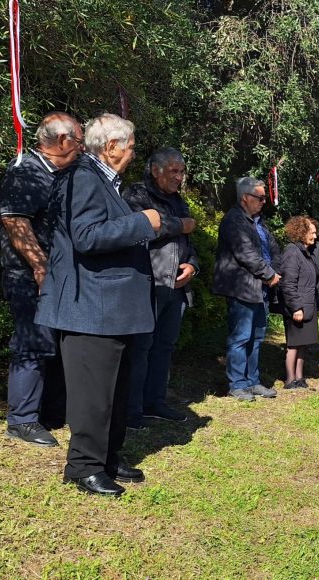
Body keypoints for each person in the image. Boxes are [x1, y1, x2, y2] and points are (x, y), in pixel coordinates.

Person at [36, 113, 162, 497]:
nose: (133, 153)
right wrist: (143, 222)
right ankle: (83, 466)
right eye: (131, 146)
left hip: (111, 307)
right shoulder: (84, 178)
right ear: (110, 147)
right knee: (93, 392)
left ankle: (106, 456)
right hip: (90, 307)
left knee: (115, 388)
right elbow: (87, 236)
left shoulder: (104, 181)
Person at [0, 112, 81, 447]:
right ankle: (22, 420)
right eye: (78, 139)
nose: (81, 146)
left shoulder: (61, 175)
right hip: (28, 275)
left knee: (55, 345)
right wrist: (40, 266)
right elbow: (15, 221)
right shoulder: (26, 171)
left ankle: (50, 412)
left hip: (57, 274)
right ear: (61, 141)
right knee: (33, 342)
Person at [122, 147, 197, 426]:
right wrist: (181, 225)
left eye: (182, 171)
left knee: (164, 347)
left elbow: (189, 244)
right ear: (156, 170)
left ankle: (155, 402)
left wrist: (192, 265)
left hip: (175, 288)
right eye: (174, 171)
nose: (180, 177)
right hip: (147, 284)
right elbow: (142, 230)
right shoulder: (137, 195)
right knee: (140, 348)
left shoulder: (178, 200)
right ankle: (131, 409)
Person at [213, 177, 282, 401]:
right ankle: (237, 384)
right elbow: (246, 254)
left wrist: (276, 270)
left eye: (265, 198)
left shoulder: (257, 222)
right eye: (260, 197)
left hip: (260, 288)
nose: (264, 201)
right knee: (241, 337)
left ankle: (253, 382)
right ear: (245, 198)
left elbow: (272, 250)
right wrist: (269, 274)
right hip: (242, 287)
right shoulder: (234, 220)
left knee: (258, 336)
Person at [279, 216, 319, 390]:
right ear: (301, 232)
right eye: (312, 233)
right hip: (297, 307)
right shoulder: (292, 252)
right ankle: (290, 379)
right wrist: (296, 307)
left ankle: (300, 378)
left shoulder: (308, 253)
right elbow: (288, 283)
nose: (315, 236)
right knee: (293, 345)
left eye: (315, 232)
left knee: (302, 344)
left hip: (309, 305)